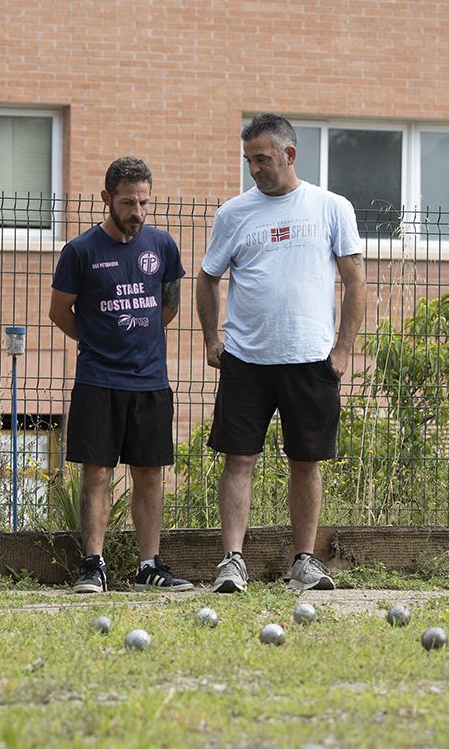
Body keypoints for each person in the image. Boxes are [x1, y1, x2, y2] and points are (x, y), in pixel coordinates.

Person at [196, 113, 366, 594]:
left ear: (289, 155)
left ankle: (305, 562)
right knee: (239, 459)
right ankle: (232, 561)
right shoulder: (233, 214)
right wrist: (213, 337)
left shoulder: (331, 207)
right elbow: (207, 278)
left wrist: (343, 349)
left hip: (311, 359)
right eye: (249, 159)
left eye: (263, 158)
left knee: (305, 461)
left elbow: (356, 282)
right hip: (247, 360)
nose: (255, 168)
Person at [49, 157, 192, 594]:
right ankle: (94, 564)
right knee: (97, 474)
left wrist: (137, 336)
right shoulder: (80, 251)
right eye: (128, 202)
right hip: (98, 379)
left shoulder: (163, 246)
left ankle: (150, 564)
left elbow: (169, 307)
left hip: (150, 381)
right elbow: (59, 312)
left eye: (144, 203)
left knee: (149, 473)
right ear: (107, 198)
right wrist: (97, 340)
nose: (137, 212)